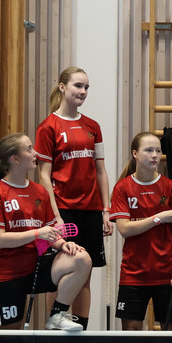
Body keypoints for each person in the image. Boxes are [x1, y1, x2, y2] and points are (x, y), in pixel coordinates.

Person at [0, 133, 91, 332]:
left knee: (81, 259)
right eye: (29, 149)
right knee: (11, 338)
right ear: (15, 159)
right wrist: (37, 234)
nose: (36, 153)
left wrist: (63, 244)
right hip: (5, 274)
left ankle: (57, 315)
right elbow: (0, 239)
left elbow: (50, 233)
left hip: (35, 267)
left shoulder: (40, 192)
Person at [35, 66, 111, 329]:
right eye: (78, 85)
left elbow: (100, 171)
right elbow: (43, 175)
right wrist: (55, 217)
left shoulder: (93, 126)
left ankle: (80, 333)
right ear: (62, 86)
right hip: (63, 210)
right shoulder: (48, 126)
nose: (83, 91)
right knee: (59, 273)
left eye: (86, 87)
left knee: (84, 274)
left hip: (91, 211)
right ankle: (53, 328)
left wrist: (106, 210)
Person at [109, 131, 172, 331]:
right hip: (133, 274)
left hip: (167, 273)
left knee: (171, 333)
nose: (155, 155)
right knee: (131, 333)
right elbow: (125, 229)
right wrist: (159, 217)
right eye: (149, 150)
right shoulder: (122, 188)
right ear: (135, 153)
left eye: (158, 151)